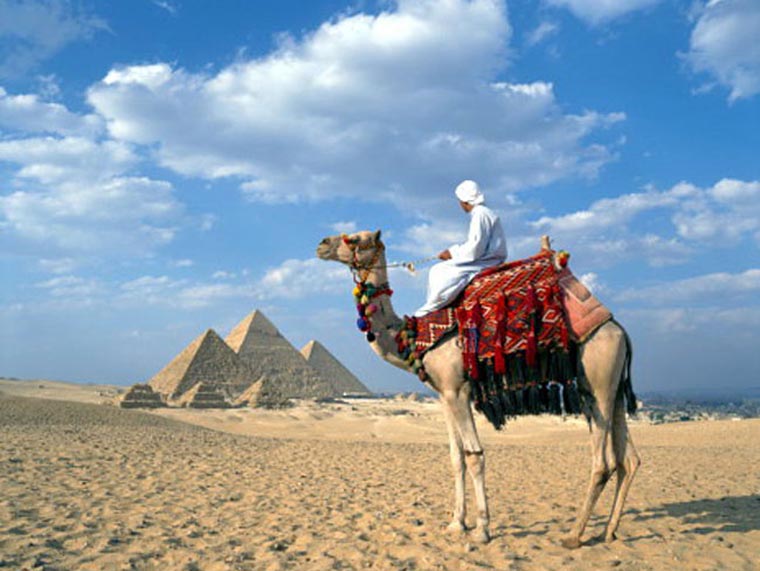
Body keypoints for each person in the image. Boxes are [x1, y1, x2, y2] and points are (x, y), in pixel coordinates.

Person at [414, 180, 507, 317]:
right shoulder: (483, 213)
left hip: (486, 260)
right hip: (485, 257)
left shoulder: (480, 214)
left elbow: (476, 247)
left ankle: (433, 307)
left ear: (464, 201)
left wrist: (452, 253)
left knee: (439, 270)